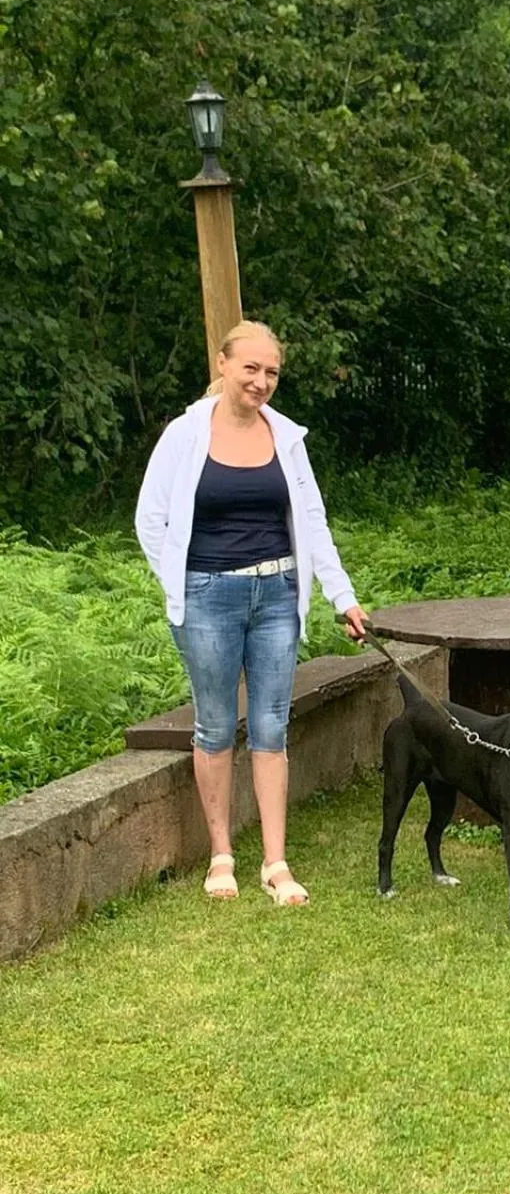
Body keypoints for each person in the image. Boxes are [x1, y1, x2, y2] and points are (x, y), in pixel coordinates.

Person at [136, 320, 368, 906]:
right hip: (207, 596)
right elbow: (151, 520)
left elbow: (313, 524)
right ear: (223, 364)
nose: (261, 382)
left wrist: (343, 597)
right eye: (251, 369)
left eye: (271, 373)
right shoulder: (185, 435)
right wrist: (182, 587)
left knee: (270, 728)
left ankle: (275, 862)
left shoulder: (286, 438)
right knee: (215, 727)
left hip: (277, 596)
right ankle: (221, 856)